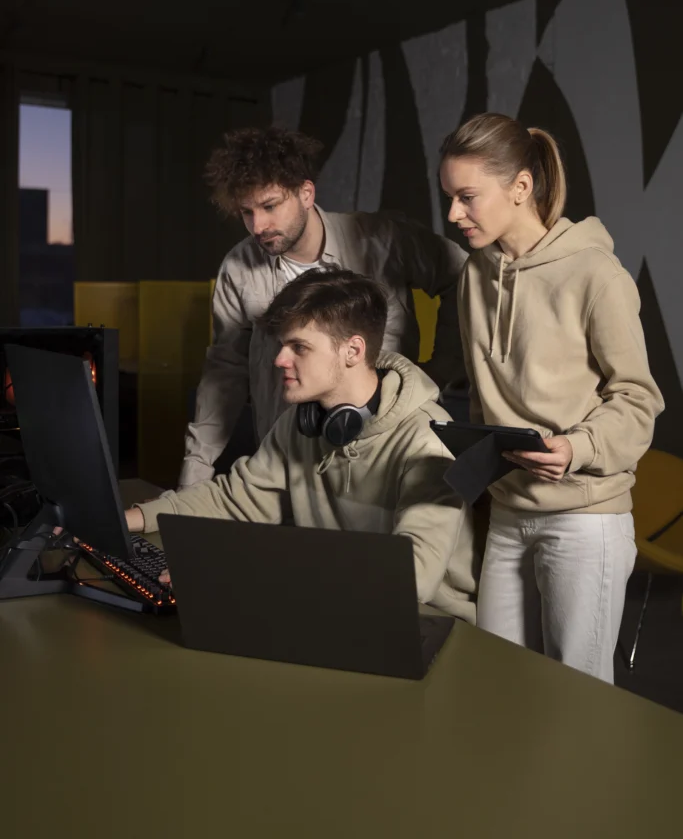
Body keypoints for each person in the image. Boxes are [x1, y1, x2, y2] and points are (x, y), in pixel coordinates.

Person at [439, 112, 664, 682]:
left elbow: (639, 400)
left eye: (467, 197)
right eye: (449, 197)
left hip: (585, 518)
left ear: (520, 188)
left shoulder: (596, 274)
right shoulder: (474, 276)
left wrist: (576, 447)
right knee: (495, 682)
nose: (452, 214)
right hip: (509, 512)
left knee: (578, 697)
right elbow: (481, 400)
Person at [127, 269, 477, 621]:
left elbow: (412, 577)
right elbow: (235, 499)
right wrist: (131, 519)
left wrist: (248, 573)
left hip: (425, 621)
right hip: (335, 605)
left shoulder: (427, 440)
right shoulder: (303, 424)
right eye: (282, 345)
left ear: (353, 350)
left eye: (299, 347)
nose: (279, 360)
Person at [180, 125, 468, 488]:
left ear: (305, 192)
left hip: (381, 459)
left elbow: (463, 276)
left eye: (270, 206)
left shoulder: (382, 240)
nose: (258, 226)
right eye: (246, 212)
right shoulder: (238, 268)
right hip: (283, 464)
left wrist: (440, 371)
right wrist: (194, 475)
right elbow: (224, 374)